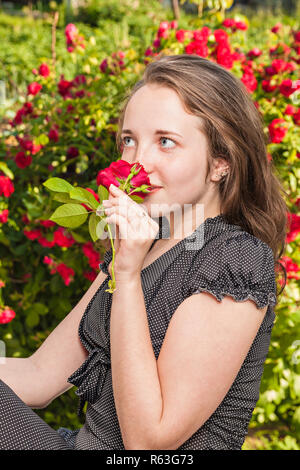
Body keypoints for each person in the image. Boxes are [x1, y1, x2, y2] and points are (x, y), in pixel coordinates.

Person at [0, 54, 288, 450]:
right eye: (129, 140)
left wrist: (129, 275)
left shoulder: (235, 259)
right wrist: (127, 265)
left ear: (221, 162)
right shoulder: (143, 242)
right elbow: (38, 376)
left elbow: (150, 441)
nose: (137, 162)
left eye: (165, 142)